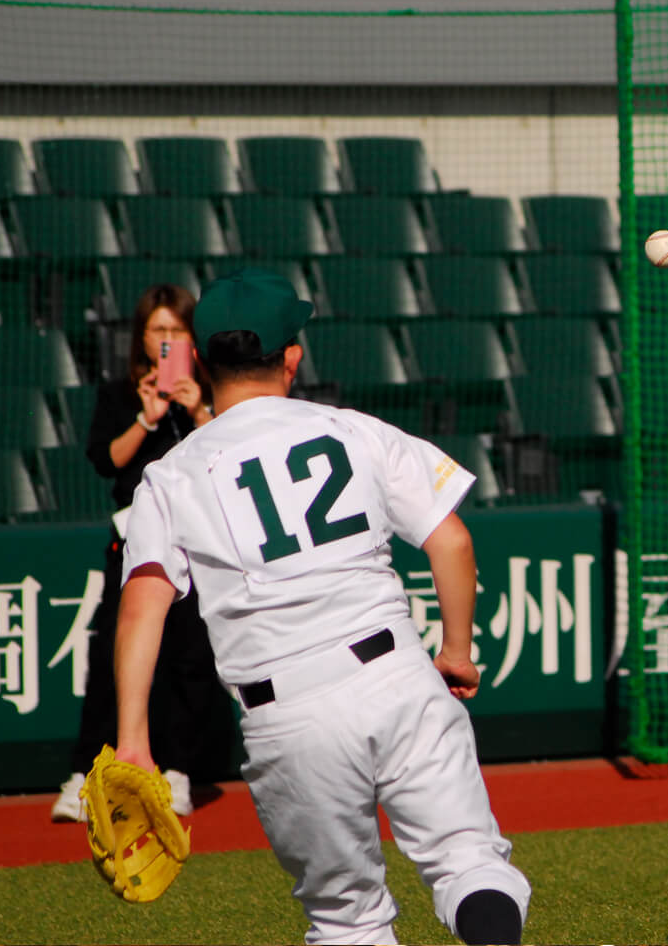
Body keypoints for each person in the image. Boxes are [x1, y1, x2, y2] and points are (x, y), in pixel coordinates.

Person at [110, 267, 530, 945]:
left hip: (286, 712)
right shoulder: (353, 429)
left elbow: (142, 606)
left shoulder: (173, 473)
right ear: (292, 357)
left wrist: (134, 740)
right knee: (469, 862)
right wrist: (455, 650)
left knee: (347, 920)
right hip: (395, 674)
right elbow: (450, 539)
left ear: (204, 362)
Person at [51, 283, 229, 822]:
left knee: (188, 660)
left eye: (178, 330)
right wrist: (148, 417)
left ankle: (176, 773)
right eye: (159, 331)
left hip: (196, 547)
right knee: (114, 655)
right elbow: (107, 460)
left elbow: (225, 456)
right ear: (142, 337)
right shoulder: (121, 393)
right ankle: (88, 773)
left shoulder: (209, 393)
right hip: (133, 545)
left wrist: (198, 411)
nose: (168, 340)